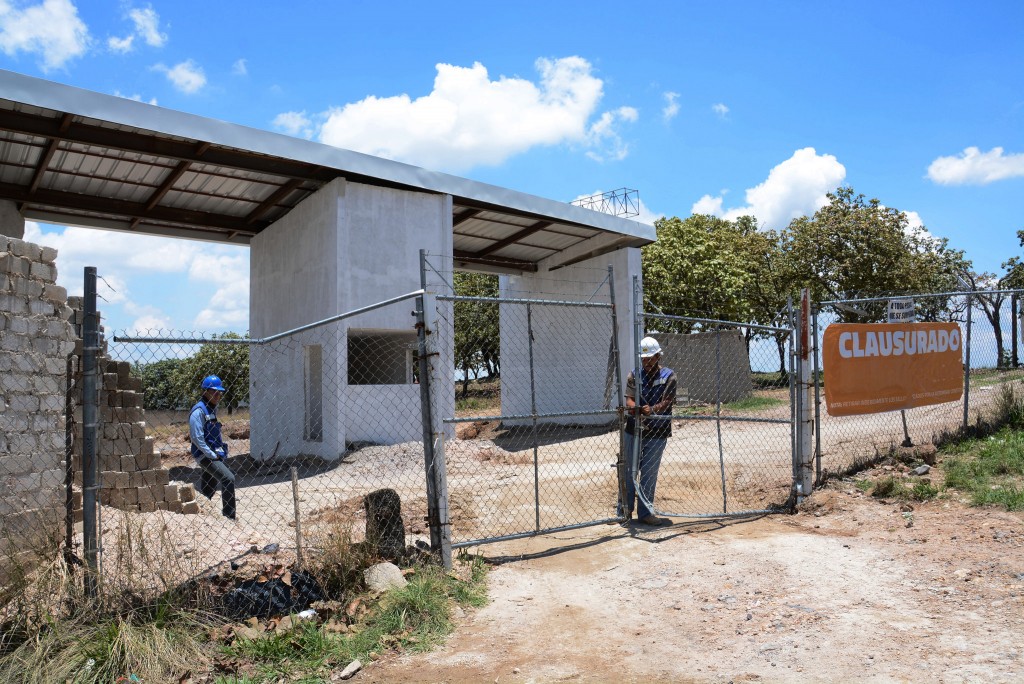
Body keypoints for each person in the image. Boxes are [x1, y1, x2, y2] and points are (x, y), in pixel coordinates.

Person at [619, 336, 676, 526]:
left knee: (649, 474)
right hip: (633, 429)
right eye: (644, 359)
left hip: (657, 432)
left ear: (658, 356)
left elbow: (668, 401)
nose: (647, 362)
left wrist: (651, 410)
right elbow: (628, 400)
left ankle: (645, 513)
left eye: (650, 358)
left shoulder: (668, 376)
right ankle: (624, 512)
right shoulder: (634, 375)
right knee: (628, 470)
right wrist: (636, 409)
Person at [189, 374, 236, 520]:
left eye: (219, 392)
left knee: (209, 487)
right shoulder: (199, 411)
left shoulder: (211, 409)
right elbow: (197, 438)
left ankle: (203, 515)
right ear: (205, 392)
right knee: (228, 478)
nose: (217, 395)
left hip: (214, 454)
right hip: (205, 455)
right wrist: (211, 455)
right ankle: (229, 516)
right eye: (214, 392)